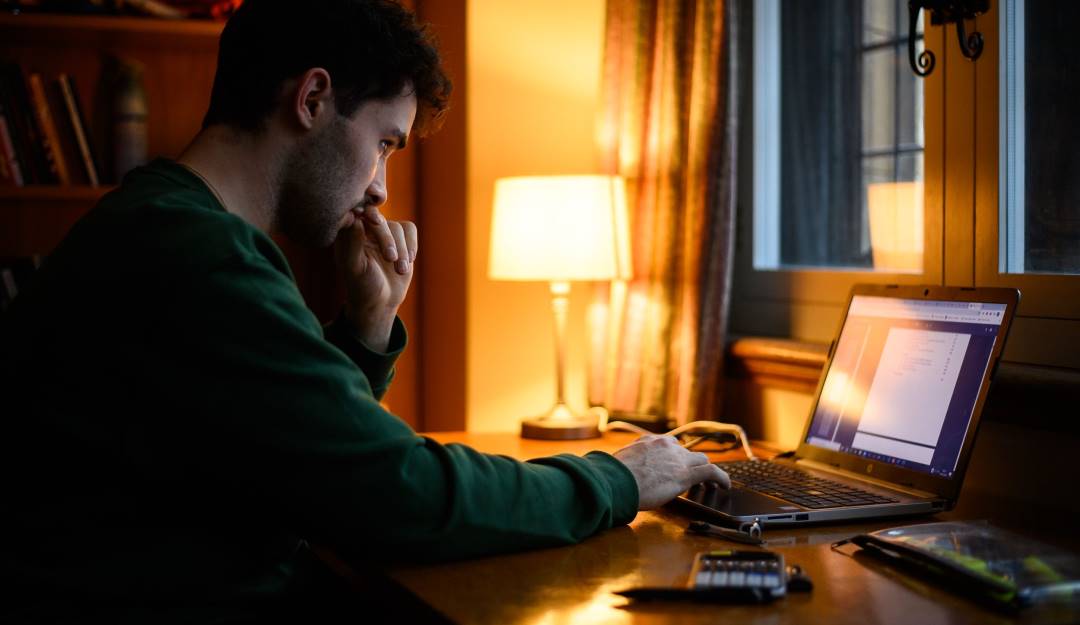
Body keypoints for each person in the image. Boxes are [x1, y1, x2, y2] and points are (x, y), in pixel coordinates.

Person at [0, 0, 729, 621]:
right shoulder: (199, 254)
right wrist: (618, 477)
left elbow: (290, 447)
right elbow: (397, 493)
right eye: (383, 143)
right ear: (313, 99)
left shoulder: (165, 220)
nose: (380, 186)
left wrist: (365, 330)